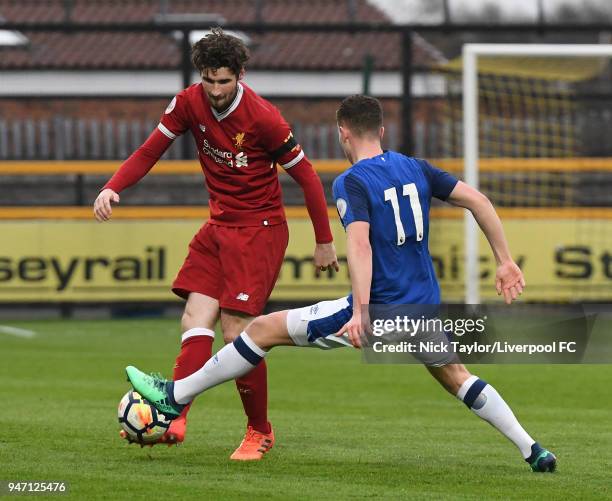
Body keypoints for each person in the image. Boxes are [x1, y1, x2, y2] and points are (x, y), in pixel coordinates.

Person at [125, 95, 556, 472]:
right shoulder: (415, 168)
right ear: (381, 130)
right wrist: (505, 261)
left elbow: (361, 246)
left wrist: (362, 312)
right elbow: (479, 200)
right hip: (422, 305)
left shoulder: (351, 181)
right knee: (457, 377)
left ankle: (175, 395)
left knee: (259, 330)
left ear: (342, 133)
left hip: (378, 308)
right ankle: (532, 448)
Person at [94, 28, 338, 460]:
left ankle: (259, 430)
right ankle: (175, 414)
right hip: (219, 226)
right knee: (195, 318)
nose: (216, 89)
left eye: (224, 81)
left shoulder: (264, 117)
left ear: (240, 75)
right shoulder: (188, 102)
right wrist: (114, 187)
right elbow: (150, 150)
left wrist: (323, 240)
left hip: (260, 230)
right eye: (209, 80)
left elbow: (307, 177)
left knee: (237, 332)